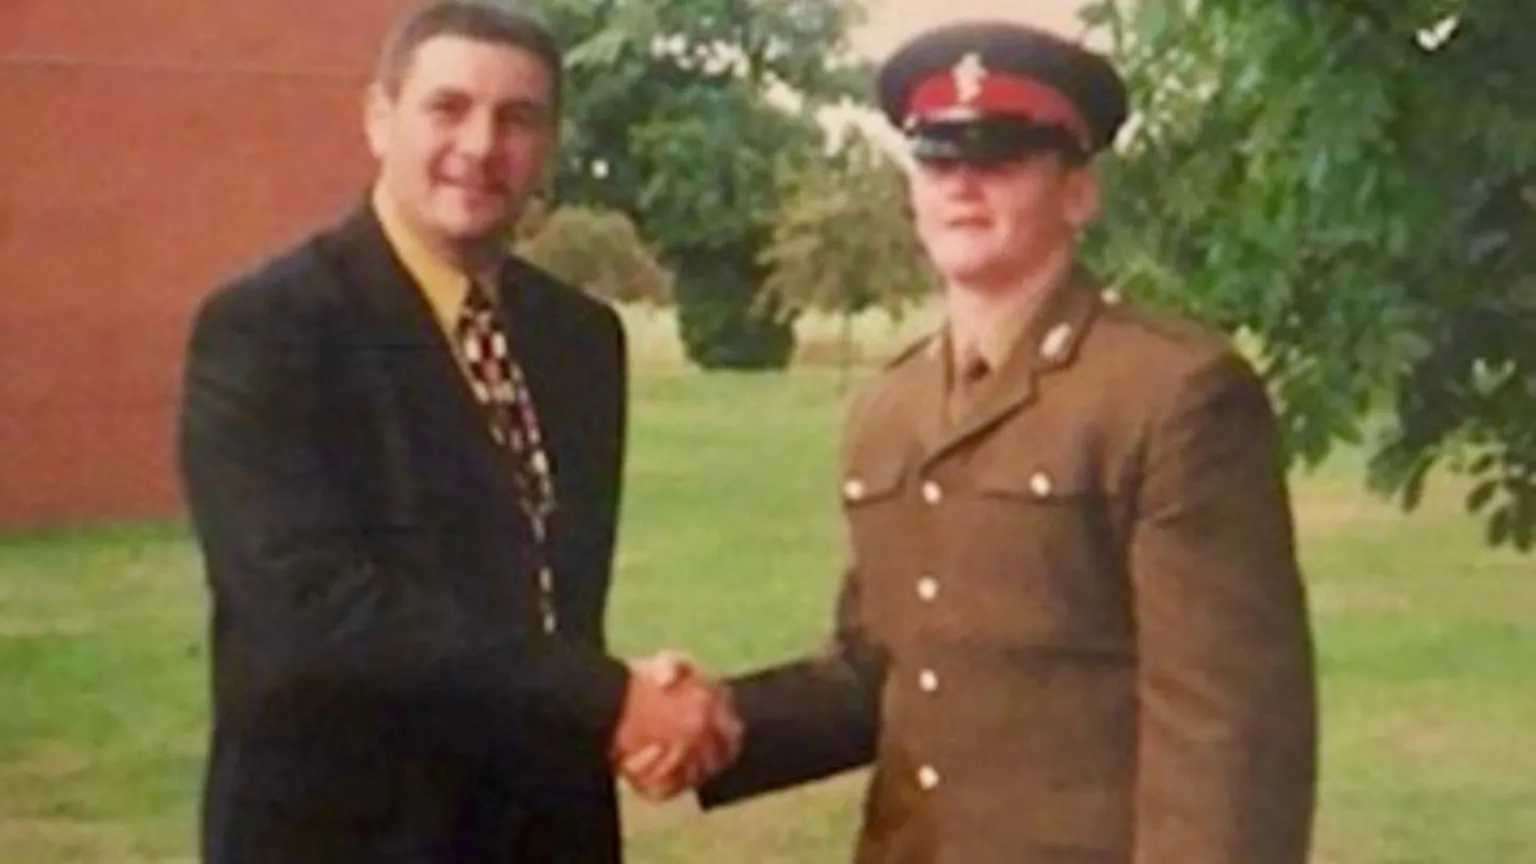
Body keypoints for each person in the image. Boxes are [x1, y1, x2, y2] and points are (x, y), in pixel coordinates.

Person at [627, 20, 1319, 864]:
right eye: (937, 160)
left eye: (1001, 159)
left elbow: (1230, 737)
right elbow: (885, 671)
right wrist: (719, 720)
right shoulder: (891, 407)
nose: (962, 185)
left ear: (1078, 192)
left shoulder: (1171, 393)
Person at [176, 3, 736, 862]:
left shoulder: (582, 339)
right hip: (348, 838)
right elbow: (313, 608)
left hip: (549, 836)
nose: (480, 145)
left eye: (518, 118)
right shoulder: (270, 328)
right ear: (379, 118)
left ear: (549, 144)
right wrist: (607, 697)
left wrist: (631, 711)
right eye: (448, 108)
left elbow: (553, 602)